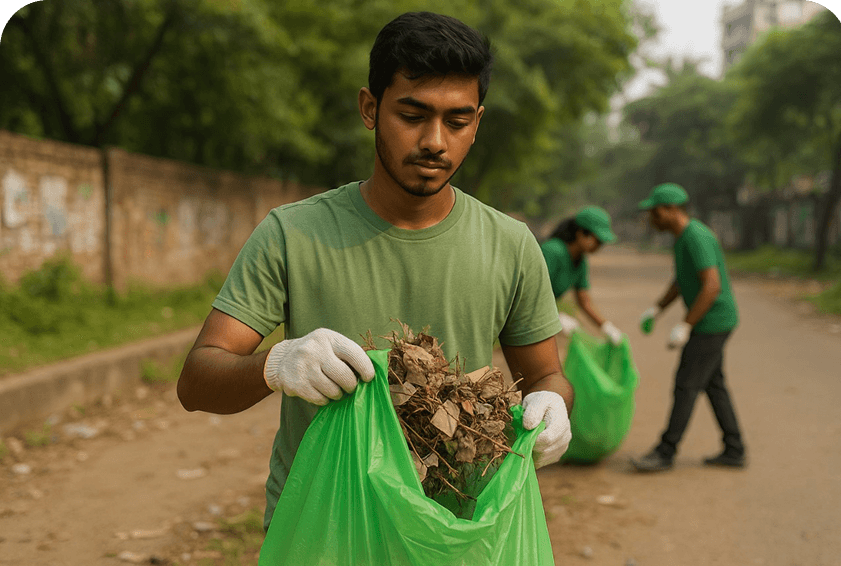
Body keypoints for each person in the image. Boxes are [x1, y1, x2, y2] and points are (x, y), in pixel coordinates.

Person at [177, 11, 575, 532]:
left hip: (455, 533)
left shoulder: (511, 245)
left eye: (456, 121)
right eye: (412, 115)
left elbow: (546, 374)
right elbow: (197, 381)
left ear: (477, 123)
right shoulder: (292, 234)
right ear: (371, 108)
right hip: (321, 529)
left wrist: (552, 404)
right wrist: (275, 365)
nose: (435, 141)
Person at [631, 183, 746, 472]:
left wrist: (685, 325)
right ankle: (734, 448)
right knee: (713, 384)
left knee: (686, 384)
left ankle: (665, 451)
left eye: (655, 213)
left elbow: (711, 285)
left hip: (713, 322)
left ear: (672, 210)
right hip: (711, 322)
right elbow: (683, 280)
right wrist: (657, 308)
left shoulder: (696, 236)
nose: (652, 219)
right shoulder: (682, 238)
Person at [541, 206, 623, 345]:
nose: (599, 246)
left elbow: (584, 301)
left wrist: (605, 326)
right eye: (597, 241)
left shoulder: (580, 261)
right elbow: (531, 293)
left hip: (540, 318)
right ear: (580, 234)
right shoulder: (553, 251)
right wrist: (556, 317)